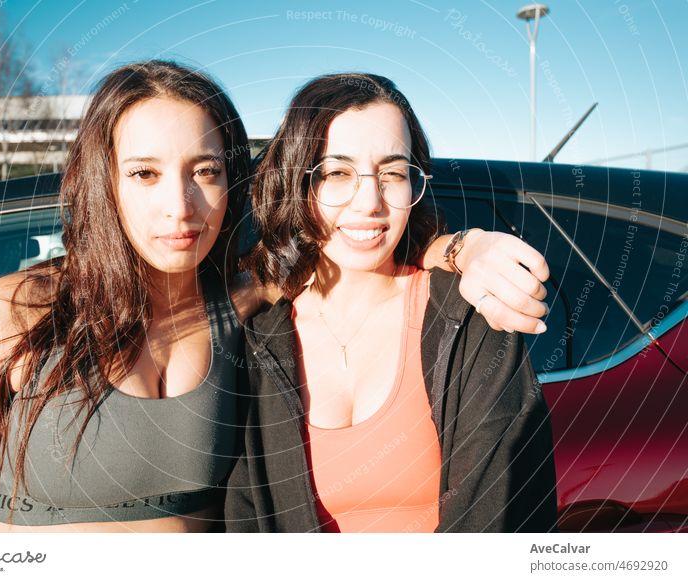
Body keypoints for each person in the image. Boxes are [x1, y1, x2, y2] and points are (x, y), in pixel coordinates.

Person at [0, 61, 551, 533]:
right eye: (145, 173)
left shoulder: (240, 306)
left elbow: (365, 246)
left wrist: (468, 249)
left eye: (205, 172)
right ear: (105, 182)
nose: (178, 207)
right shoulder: (19, 312)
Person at [224, 73, 558, 533]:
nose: (370, 203)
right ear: (298, 184)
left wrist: (465, 245)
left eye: (393, 173)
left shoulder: (466, 317)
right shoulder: (254, 340)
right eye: (337, 173)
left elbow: (502, 519)